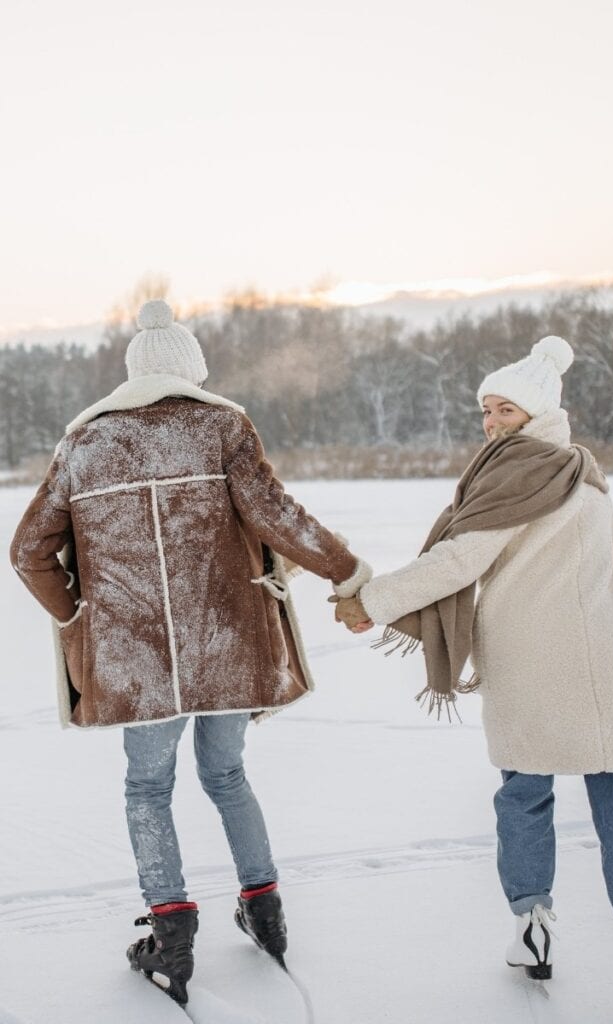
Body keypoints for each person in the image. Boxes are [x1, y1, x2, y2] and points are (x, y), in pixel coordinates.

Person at [9, 299, 371, 1005]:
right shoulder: (220, 426)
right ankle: (264, 910)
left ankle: (171, 932)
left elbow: (28, 552)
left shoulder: (83, 443)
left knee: (148, 787)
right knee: (227, 773)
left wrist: (77, 613)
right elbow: (276, 516)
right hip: (226, 641)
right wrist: (345, 571)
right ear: (192, 370)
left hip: (133, 656)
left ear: (132, 372)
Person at [334, 335, 613, 1013]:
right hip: (601, 667)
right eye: (485, 411)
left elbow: (458, 561)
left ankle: (532, 926)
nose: (489, 422)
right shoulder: (578, 471)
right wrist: (593, 509)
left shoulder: (511, 475)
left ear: (533, 413)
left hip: (529, 666)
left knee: (524, 799)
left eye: (502, 410)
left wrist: (370, 602)